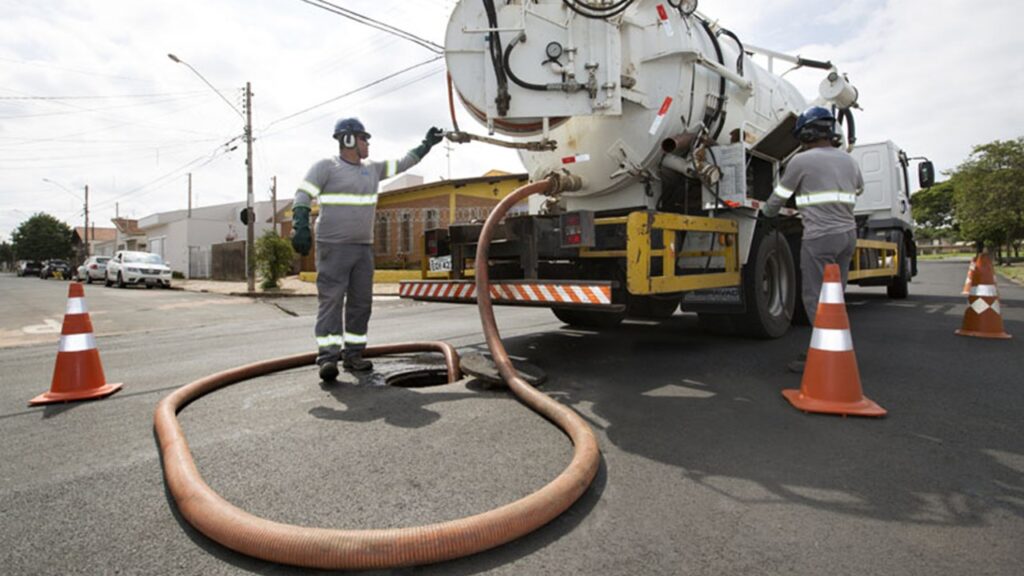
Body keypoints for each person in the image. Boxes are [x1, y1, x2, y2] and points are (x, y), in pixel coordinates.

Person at [292, 118, 444, 380]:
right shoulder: (326, 167)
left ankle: (353, 355)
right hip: (333, 247)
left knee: (361, 304)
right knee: (331, 302)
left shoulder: (372, 169)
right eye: (364, 138)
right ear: (348, 139)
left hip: (363, 249)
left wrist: (426, 145)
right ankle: (328, 358)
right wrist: (300, 223)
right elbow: (303, 193)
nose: (367, 143)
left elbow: (404, 162)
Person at [762, 106, 863, 372]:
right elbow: (859, 187)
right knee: (835, 294)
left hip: (820, 237)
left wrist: (766, 212)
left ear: (805, 133)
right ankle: (837, 347)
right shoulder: (849, 161)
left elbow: (780, 195)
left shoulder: (802, 161)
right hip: (847, 234)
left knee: (814, 296)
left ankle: (820, 353)